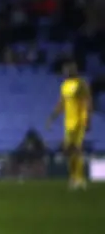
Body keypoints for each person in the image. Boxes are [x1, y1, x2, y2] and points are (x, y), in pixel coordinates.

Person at [47, 60, 92, 190]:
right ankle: (74, 177)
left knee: (76, 148)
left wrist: (88, 119)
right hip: (68, 122)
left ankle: (79, 178)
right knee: (69, 150)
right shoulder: (64, 85)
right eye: (64, 70)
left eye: (68, 69)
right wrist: (52, 118)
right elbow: (61, 104)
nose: (65, 72)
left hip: (79, 120)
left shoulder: (81, 84)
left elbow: (87, 101)